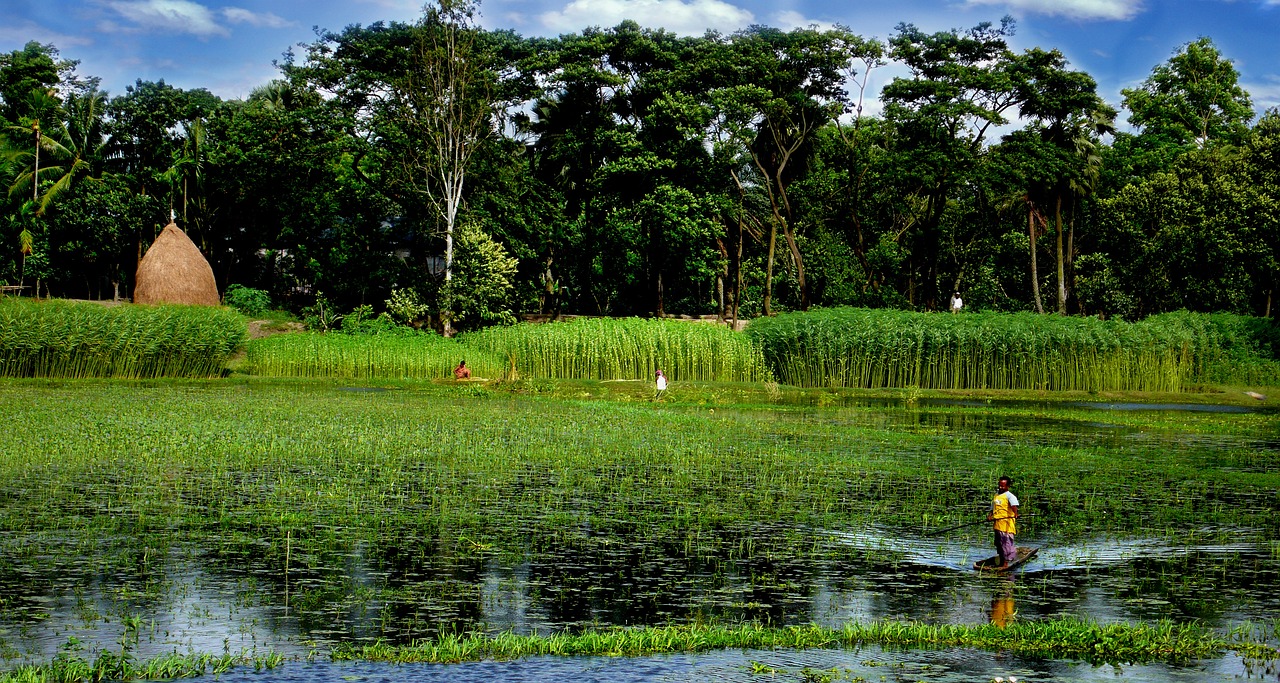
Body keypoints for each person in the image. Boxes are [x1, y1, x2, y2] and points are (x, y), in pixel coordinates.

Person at [987, 476, 1020, 569]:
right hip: (997, 524)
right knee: (999, 544)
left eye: (1003, 486)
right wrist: (990, 516)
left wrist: (1016, 514)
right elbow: (993, 507)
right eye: (1000, 486)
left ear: (1008, 486)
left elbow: (1014, 506)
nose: (1001, 488)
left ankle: (1005, 564)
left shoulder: (1010, 496)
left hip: (1006, 524)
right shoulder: (996, 495)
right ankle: (1001, 562)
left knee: (1006, 545)